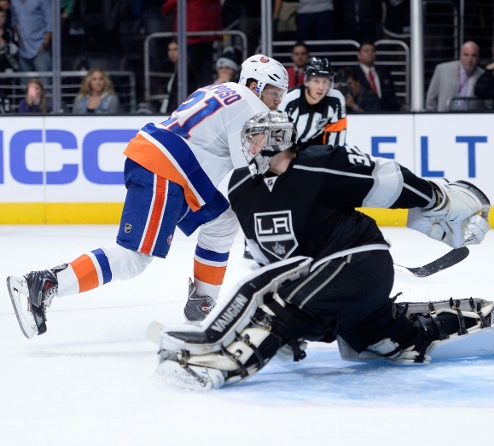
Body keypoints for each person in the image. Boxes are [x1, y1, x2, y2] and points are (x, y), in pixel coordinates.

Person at [153, 109, 494, 390]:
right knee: (387, 343)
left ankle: (219, 368)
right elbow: (268, 258)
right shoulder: (240, 188)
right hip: (326, 282)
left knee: (280, 307)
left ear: (277, 139)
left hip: (358, 262)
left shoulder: (318, 165)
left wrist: (437, 199)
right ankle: (491, 316)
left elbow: (387, 179)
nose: (248, 146)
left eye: (256, 138)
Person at [6, 55, 290, 339]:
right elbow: (249, 170)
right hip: (167, 168)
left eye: (281, 95)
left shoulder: (220, 90)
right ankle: (45, 282)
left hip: (173, 166)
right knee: (134, 258)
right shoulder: (250, 106)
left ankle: (201, 305)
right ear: (255, 84)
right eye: (274, 93)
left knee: (222, 220)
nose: (278, 101)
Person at [279, 56, 347, 149]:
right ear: (306, 81)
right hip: (288, 148)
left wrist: (331, 159)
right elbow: (276, 140)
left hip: (315, 146)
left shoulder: (336, 100)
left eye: (325, 82)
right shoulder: (288, 100)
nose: (321, 87)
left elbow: (336, 140)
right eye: (316, 81)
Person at [161, 0, 223, 87]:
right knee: (204, 71)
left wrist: (166, 9)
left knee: (187, 71)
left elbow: (169, 6)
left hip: (191, 31)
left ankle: (180, 98)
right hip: (209, 30)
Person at [425, 40, 484, 112]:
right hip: (445, 117)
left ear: (478, 57)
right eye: (466, 55)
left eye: (474, 56)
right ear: (460, 55)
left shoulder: (482, 75)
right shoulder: (442, 70)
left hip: (470, 119)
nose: (470, 59)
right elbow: (431, 99)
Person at [10, 0, 52, 83]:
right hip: (23, 49)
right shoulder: (14, 1)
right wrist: (18, 41)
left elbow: (50, 22)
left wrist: (45, 43)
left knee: (45, 83)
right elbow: (14, 21)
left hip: (40, 46)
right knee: (25, 83)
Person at [352, 41, 400, 112]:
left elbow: (391, 94)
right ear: (359, 55)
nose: (370, 53)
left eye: (373, 51)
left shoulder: (384, 72)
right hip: (362, 112)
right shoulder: (352, 72)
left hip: (384, 112)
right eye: (366, 51)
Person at [160, 39, 200, 114]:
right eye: (169, 50)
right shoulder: (173, 70)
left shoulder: (186, 73)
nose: (172, 53)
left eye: (175, 49)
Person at [0, 7, 19, 72]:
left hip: (9, 68)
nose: (0, 19)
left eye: (2, 17)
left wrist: (2, 40)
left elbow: (14, 50)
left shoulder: (9, 32)